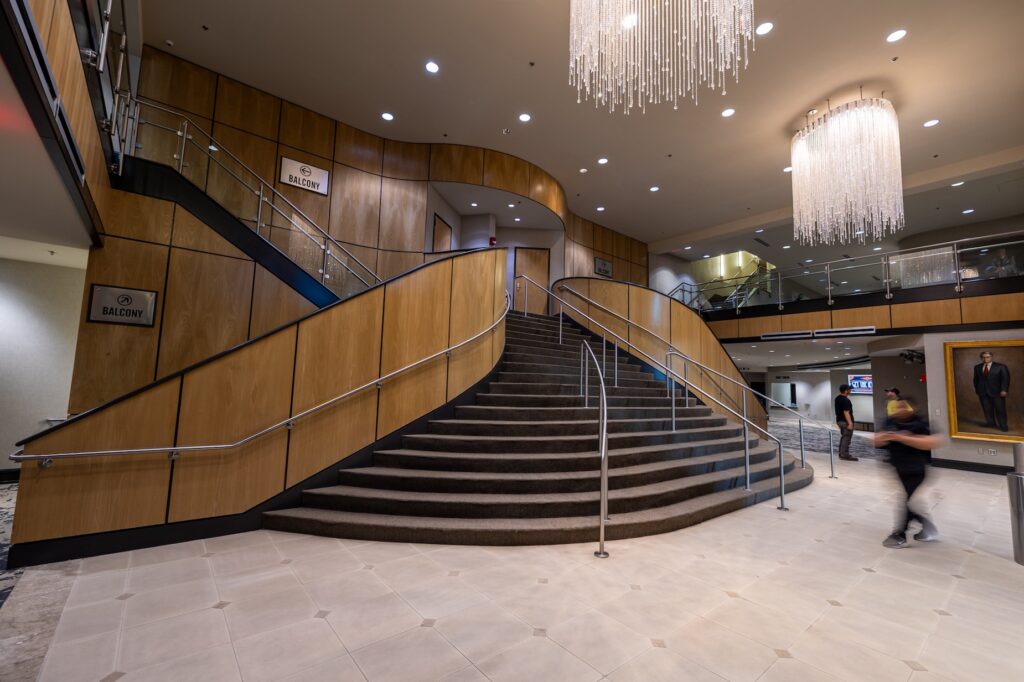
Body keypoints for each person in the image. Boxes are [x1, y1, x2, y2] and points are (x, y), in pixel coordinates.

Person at [874, 400, 942, 548]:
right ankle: (927, 527)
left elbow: (932, 442)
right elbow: (877, 441)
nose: (900, 410)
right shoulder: (890, 421)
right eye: (898, 407)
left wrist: (902, 437)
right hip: (899, 468)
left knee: (907, 501)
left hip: (916, 469)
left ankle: (900, 534)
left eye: (904, 407)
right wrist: (887, 436)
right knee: (908, 500)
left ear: (912, 408)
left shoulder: (919, 423)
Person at [973, 351, 1010, 432]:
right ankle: (991, 423)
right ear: (981, 358)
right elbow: (975, 380)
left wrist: (1004, 390)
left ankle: (1003, 425)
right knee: (987, 409)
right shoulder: (977, 367)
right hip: (982, 392)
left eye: (987, 357)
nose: (985, 359)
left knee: (1000, 409)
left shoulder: (1001, 367)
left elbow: (1005, 379)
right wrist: (977, 389)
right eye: (983, 357)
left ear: (991, 357)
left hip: (997, 392)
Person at [834, 384, 858, 461]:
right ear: (845, 390)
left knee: (844, 437)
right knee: (846, 438)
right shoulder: (845, 400)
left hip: (840, 421)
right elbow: (846, 412)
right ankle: (844, 454)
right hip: (845, 422)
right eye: (849, 389)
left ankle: (842, 454)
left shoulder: (837, 398)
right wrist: (850, 423)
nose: (850, 391)